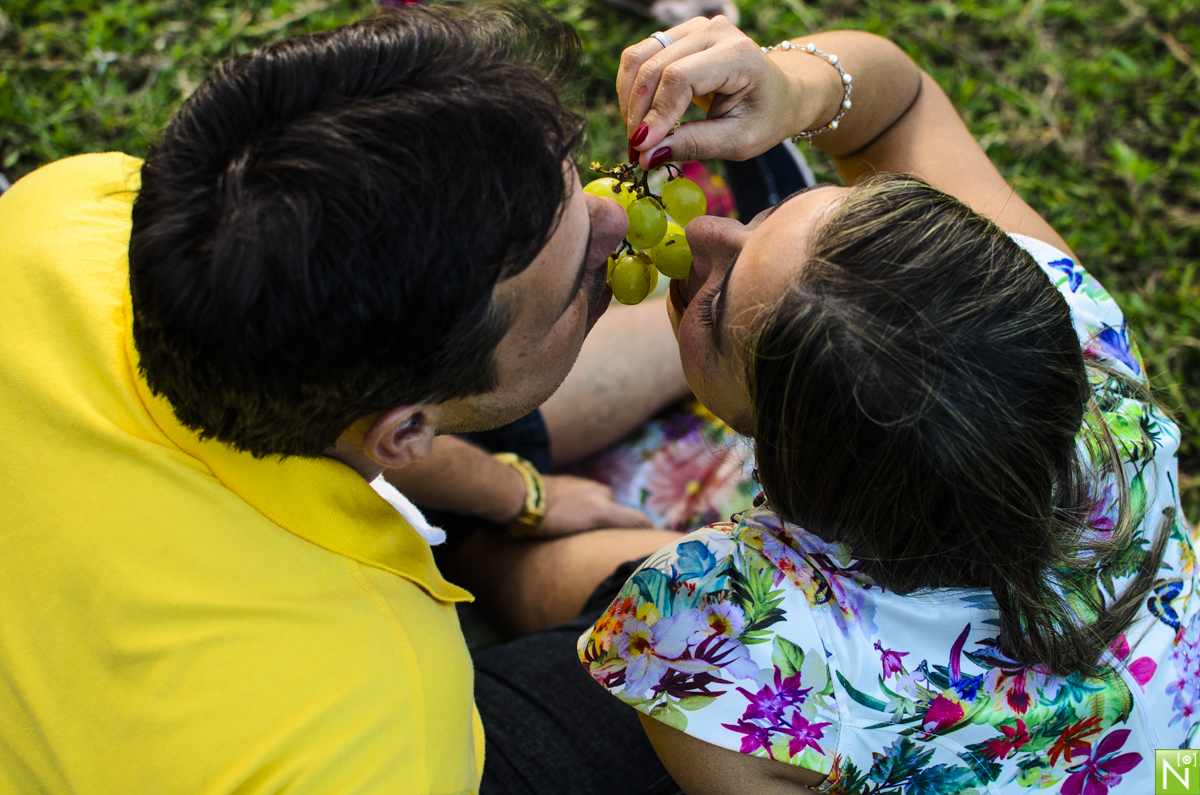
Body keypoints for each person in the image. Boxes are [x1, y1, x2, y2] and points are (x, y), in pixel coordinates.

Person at [0, 5, 688, 792]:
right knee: (711, 633)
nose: (616, 220)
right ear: (402, 437)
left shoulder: (63, 219)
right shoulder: (384, 722)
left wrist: (517, 494)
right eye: (577, 285)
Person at [575, 15, 1199, 794]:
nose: (700, 228)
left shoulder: (720, 627)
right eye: (770, 214)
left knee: (549, 570)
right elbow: (901, 106)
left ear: (792, 466)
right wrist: (794, 87)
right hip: (1177, 760)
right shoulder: (1076, 330)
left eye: (715, 308)